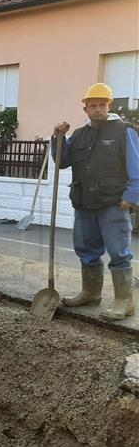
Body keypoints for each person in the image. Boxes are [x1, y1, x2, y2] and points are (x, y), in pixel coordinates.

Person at [52, 82, 139, 321]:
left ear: (109, 105)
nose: (97, 109)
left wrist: (132, 197)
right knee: (87, 251)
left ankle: (124, 301)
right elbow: (62, 161)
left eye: (102, 104)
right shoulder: (79, 134)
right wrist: (57, 137)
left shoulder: (124, 130)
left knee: (119, 253)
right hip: (84, 203)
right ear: (85, 109)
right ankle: (91, 293)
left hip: (114, 203)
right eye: (93, 105)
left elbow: (136, 165)